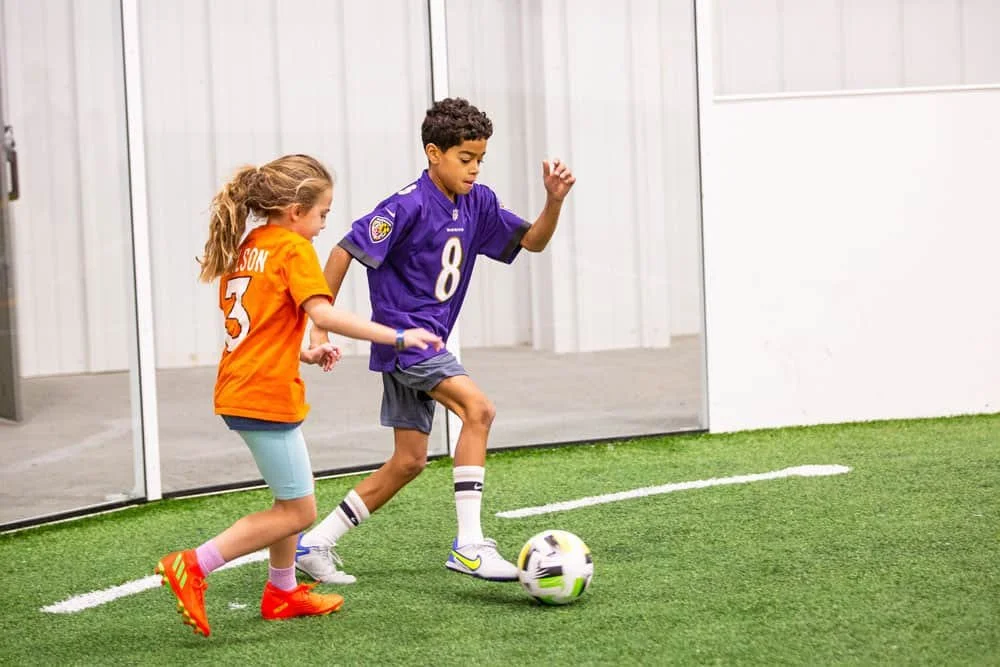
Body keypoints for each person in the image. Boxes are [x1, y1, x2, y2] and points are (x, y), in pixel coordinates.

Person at [155, 154, 442, 637]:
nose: (323, 225)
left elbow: (263, 324)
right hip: (262, 395)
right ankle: (193, 565)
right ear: (293, 210)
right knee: (299, 511)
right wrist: (397, 336)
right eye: (322, 214)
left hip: (246, 386)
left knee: (290, 496)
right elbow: (323, 316)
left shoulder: (251, 246)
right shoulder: (292, 249)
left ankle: (282, 590)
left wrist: (304, 354)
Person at [297, 98, 576, 584]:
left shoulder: (480, 201)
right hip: (407, 339)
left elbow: (532, 241)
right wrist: (319, 324)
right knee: (479, 410)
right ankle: (469, 546)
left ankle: (315, 544)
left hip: (428, 340)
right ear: (433, 152)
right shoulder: (405, 204)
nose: (474, 169)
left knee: (408, 461)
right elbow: (345, 249)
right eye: (465, 159)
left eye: (480, 160)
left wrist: (553, 200)